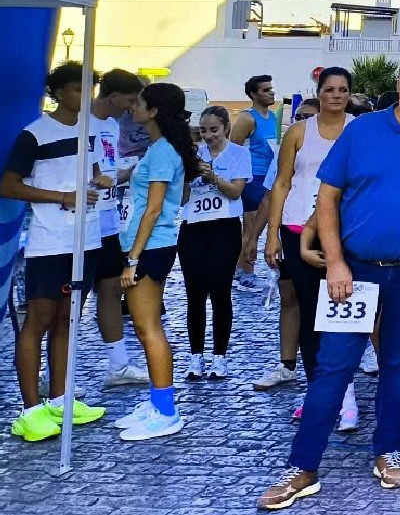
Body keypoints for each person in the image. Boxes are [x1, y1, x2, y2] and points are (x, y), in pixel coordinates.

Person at [258, 53, 400, 510]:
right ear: (398, 83)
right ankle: (303, 465)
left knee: (399, 365)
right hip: (355, 270)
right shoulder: (362, 129)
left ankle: (387, 450)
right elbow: (328, 197)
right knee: (333, 366)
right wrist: (335, 262)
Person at [4, 63, 109, 441]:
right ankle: (31, 410)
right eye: (79, 89)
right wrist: (62, 197)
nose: (86, 97)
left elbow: (94, 169)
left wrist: (99, 178)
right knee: (39, 320)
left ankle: (61, 400)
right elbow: (9, 186)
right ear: (59, 93)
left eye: (90, 89)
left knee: (68, 321)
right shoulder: (34, 134)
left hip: (87, 238)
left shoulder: (92, 129)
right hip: (49, 242)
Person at [258, 68, 357, 425]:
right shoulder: (299, 132)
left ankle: (343, 390)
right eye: (329, 89)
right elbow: (281, 183)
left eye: (343, 90)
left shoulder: (358, 129)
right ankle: (317, 387)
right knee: (307, 309)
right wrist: (271, 233)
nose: (336, 95)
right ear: (318, 92)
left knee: (340, 310)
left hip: (343, 230)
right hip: (297, 227)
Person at [113, 82, 200, 441]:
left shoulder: (164, 151)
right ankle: (157, 401)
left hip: (150, 247)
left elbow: (154, 209)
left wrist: (133, 259)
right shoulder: (161, 149)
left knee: (150, 329)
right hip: (149, 244)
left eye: (140, 103)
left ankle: (166, 410)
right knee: (144, 327)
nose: (134, 107)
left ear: (154, 111)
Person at [88, 68, 151, 388]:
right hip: (81, 224)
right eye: (129, 100)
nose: (131, 107)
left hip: (109, 221)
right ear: (112, 96)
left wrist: (133, 171)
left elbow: (111, 171)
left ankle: (119, 365)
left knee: (111, 291)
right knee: (71, 299)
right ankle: (52, 370)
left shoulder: (111, 126)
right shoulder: (82, 123)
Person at [178, 106, 252, 380]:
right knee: (194, 294)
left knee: (221, 292)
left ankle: (219, 356)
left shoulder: (239, 154)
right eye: (204, 130)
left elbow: (235, 191)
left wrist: (212, 176)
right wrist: (188, 175)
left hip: (225, 227)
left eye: (214, 130)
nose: (208, 136)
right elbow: (181, 199)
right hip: (194, 227)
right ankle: (195, 355)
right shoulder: (192, 155)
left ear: (225, 128)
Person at [232, 74, 281, 294]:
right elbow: (233, 148)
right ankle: (245, 273)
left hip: (269, 176)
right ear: (253, 94)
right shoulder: (247, 118)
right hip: (252, 177)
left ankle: (242, 269)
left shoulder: (273, 117)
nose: (271, 92)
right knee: (251, 227)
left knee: (259, 227)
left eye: (271, 89)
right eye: (265, 90)